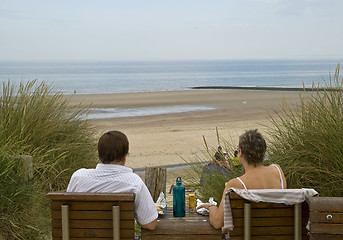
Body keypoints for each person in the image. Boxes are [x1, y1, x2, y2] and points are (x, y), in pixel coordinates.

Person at [66, 130, 158, 230]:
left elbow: (68, 212)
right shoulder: (134, 183)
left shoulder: (78, 177)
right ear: (124, 157)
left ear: (98, 155)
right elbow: (150, 224)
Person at [197, 129, 287, 229]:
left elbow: (217, 223)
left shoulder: (236, 184)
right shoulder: (277, 171)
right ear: (264, 151)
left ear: (240, 152)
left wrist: (211, 207)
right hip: (278, 233)